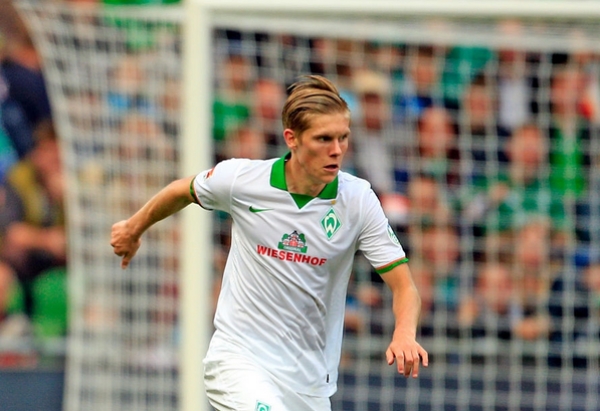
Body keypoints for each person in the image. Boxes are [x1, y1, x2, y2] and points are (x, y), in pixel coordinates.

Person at [110, 75, 428, 410]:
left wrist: (405, 332)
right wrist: (133, 228)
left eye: (343, 138)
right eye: (323, 139)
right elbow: (182, 190)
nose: (336, 150)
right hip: (240, 361)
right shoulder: (243, 180)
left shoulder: (358, 200)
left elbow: (405, 287)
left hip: (309, 382)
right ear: (292, 138)